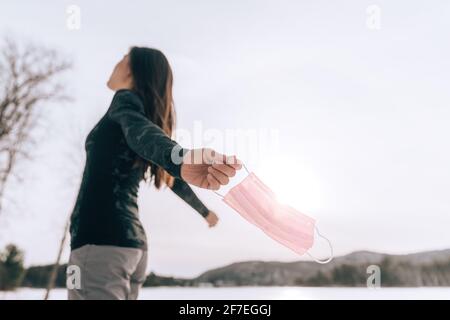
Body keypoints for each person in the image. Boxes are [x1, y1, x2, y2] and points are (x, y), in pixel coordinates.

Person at [67, 46, 241, 300]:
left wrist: (180, 158)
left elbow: (146, 136)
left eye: (123, 58)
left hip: (99, 244)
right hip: (130, 248)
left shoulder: (124, 104)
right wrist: (204, 211)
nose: (116, 62)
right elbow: (172, 177)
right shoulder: (138, 119)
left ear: (133, 70)